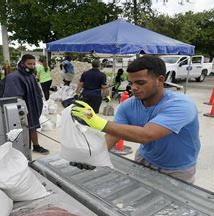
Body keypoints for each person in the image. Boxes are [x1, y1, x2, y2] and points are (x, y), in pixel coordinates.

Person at [71, 56, 200, 183]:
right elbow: (112, 135)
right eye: (131, 83)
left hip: (178, 169)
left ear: (160, 80)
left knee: (172, 203)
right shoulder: (128, 106)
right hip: (144, 158)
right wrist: (94, 157)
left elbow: (147, 135)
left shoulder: (181, 105)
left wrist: (97, 122)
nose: (133, 88)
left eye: (140, 83)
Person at [2, 54, 50, 155]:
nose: (32, 66)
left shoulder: (30, 76)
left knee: (33, 126)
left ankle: (36, 146)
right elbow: (13, 96)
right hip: (23, 109)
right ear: (23, 63)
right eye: (29, 64)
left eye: (33, 64)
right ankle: (19, 151)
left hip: (31, 107)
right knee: (21, 129)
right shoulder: (14, 77)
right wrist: (22, 110)